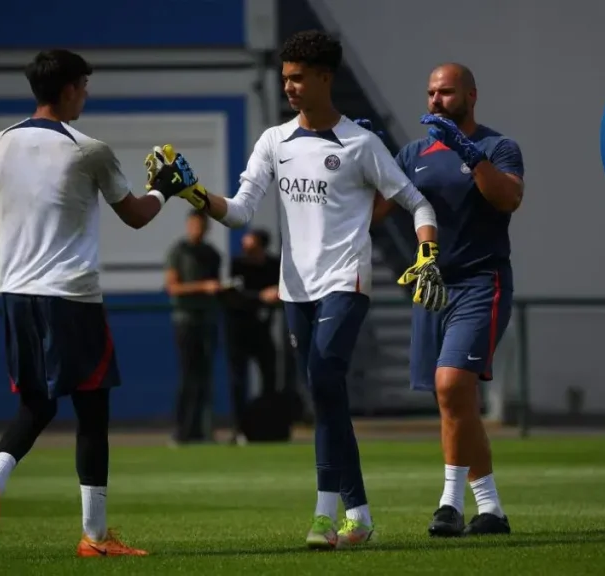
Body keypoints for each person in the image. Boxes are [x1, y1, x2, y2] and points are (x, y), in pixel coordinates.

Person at [143, 30, 447, 550]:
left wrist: (427, 254)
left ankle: (325, 517)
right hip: (294, 289)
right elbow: (239, 212)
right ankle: (359, 515)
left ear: (325, 78)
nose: (288, 86)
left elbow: (418, 203)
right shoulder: (274, 141)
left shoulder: (361, 144)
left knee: (324, 378)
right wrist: (192, 193)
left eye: (298, 78)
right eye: (285, 77)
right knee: (325, 396)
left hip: (346, 280)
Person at [0, 49, 188, 559]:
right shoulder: (88, 150)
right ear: (68, 89)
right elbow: (136, 216)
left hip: (17, 294)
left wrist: (23, 244)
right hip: (71, 297)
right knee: (92, 411)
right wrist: (165, 188)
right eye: (84, 86)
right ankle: (95, 537)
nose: (86, 95)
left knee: (36, 405)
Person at [367, 63, 525, 538]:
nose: (436, 100)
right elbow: (374, 213)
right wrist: (364, 157)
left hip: (480, 282)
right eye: (431, 93)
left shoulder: (498, 147)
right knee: (453, 399)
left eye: (447, 92)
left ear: (471, 96)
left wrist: (469, 154)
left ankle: (449, 505)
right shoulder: (413, 153)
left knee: (452, 384)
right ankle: (491, 510)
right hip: (432, 285)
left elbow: (509, 199)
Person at [165, 210, 223, 444]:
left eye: (201, 226)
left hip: (207, 321)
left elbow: (216, 285)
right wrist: (203, 287)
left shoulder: (212, 254)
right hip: (185, 321)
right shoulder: (178, 252)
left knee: (205, 377)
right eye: (193, 225)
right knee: (187, 377)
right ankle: (182, 430)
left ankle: (204, 430)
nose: (197, 230)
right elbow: (173, 287)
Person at [224, 229, 281, 445]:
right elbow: (234, 294)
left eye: (252, 247)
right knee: (238, 380)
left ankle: (269, 425)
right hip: (238, 330)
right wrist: (260, 296)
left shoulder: (273, 265)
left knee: (270, 376)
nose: (247, 251)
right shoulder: (237, 265)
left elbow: (283, 289)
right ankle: (239, 428)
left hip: (262, 330)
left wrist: (277, 293)